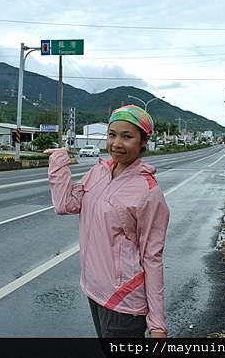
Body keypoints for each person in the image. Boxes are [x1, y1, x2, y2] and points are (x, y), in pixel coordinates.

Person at [44, 105, 169, 338]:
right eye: (112, 135)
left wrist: (157, 324)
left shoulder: (149, 192)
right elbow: (64, 205)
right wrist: (59, 163)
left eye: (127, 136)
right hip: (94, 291)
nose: (116, 143)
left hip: (124, 302)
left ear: (144, 141)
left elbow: (152, 258)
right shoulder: (98, 173)